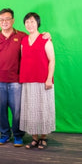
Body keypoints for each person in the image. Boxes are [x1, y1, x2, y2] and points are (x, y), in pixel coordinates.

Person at [0, 8, 27, 146]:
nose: (4, 22)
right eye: (1, 20)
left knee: (17, 110)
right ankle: (4, 134)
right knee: (1, 109)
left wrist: (46, 35)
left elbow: (35, 42)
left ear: (13, 20)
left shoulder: (22, 36)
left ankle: (18, 135)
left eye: (7, 19)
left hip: (16, 81)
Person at [19, 12, 55, 149]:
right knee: (31, 109)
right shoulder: (23, 40)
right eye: (27, 22)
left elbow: (52, 60)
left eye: (32, 22)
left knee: (43, 108)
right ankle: (34, 138)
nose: (30, 24)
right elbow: (23, 59)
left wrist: (49, 79)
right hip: (28, 80)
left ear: (38, 23)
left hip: (43, 80)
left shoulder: (45, 39)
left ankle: (43, 138)